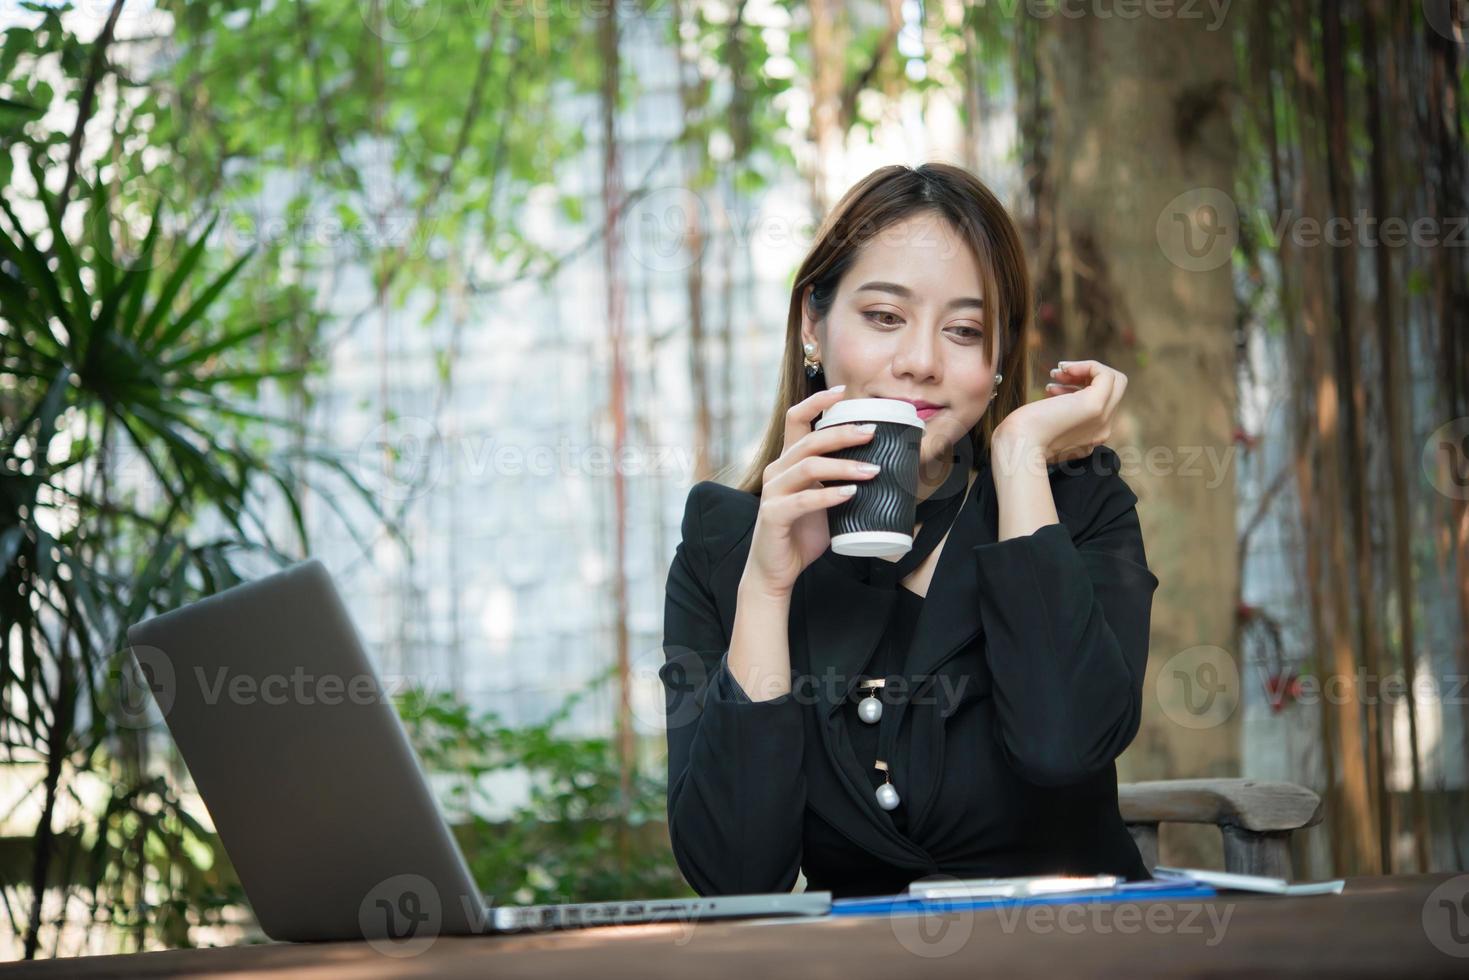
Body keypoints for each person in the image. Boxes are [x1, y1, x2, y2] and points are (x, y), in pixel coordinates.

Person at [659, 162, 1159, 898]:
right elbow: (735, 877)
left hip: (1075, 949)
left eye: (963, 330)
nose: (920, 362)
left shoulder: (1074, 506)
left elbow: (1063, 749)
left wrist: (1018, 456)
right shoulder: (726, 540)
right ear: (811, 324)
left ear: (995, 363)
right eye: (884, 317)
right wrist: (765, 589)